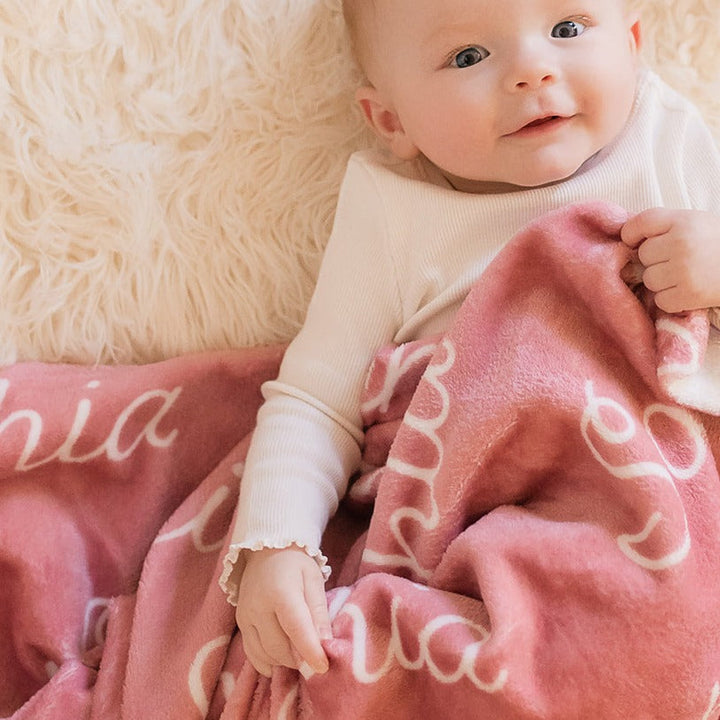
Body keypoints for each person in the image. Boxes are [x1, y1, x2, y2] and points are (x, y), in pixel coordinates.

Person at [219, 0, 720, 678]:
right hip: (479, 535)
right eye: (468, 57)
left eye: (567, 30)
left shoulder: (665, 140)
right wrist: (274, 543)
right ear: (392, 121)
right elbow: (317, 399)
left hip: (669, 499)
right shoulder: (392, 210)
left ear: (632, 43)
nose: (531, 71)